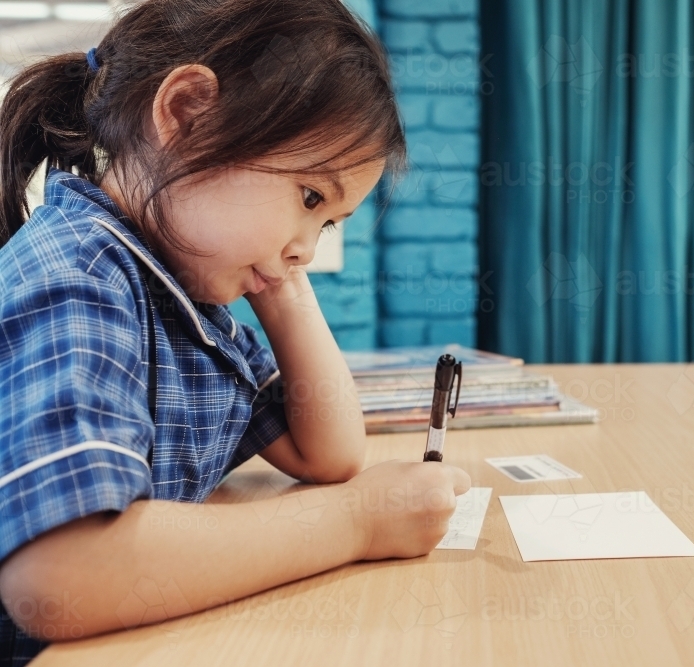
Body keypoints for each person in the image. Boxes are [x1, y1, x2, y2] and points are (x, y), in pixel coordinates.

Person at [0, 1, 470, 663]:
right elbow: (61, 574)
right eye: (310, 197)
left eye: (328, 224)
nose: (307, 246)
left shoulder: (185, 306)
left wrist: (283, 283)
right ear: (188, 111)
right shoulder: (80, 277)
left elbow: (327, 451)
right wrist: (358, 520)